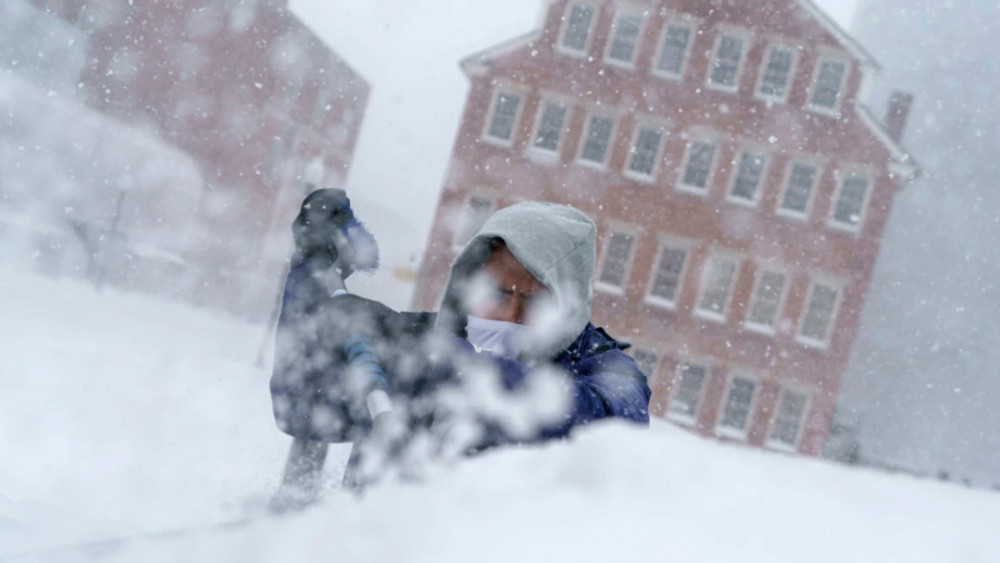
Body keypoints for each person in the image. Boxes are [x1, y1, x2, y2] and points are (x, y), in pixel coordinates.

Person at [269, 192, 651, 469]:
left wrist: (449, 364)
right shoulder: (421, 339)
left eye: (537, 303)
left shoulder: (607, 372)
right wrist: (309, 270)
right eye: (499, 294)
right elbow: (303, 405)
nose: (512, 316)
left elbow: (608, 428)